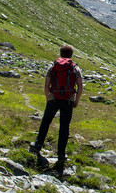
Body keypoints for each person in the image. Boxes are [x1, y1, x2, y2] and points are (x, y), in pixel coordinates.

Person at [29, 44, 84, 174]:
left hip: (53, 98)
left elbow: (47, 83)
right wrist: (76, 100)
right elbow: (80, 86)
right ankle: (61, 155)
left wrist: (48, 96)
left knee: (46, 122)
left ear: (60, 53)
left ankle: (37, 147)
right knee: (64, 127)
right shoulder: (75, 68)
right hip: (68, 100)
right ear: (71, 54)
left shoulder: (53, 66)